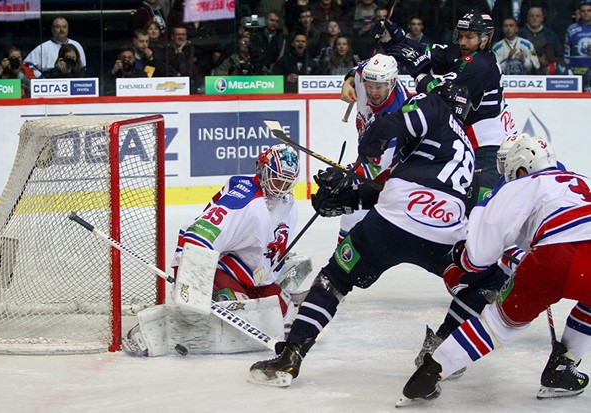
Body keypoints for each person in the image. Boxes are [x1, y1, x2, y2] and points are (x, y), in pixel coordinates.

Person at [248, 79, 475, 387]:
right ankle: (439, 354)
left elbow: (388, 139)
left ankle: (292, 355)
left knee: (335, 278)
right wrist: (351, 198)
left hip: (391, 222)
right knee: (479, 286)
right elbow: (410, 186)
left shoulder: (432, 107)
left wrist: (367, 149)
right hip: (445, 232)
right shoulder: (468, 151)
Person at [399, 135, 591, 404]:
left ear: (522, 167)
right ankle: (564, 366)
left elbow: (479, 255)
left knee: (497, 324)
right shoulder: (580, 179)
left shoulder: (522, 185)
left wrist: (461, 261)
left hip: (553, 258)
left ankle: (431, 371)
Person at [377, 11, 515, 210]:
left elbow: (442, 93)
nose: (463, 42)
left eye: (469, 37)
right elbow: (427, 52)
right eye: (460, 36)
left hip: (490, 151)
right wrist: (395, 36)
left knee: (480, 210)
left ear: (484, 39)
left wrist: (418, 71)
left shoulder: (481, 65)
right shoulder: (464, 53)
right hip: (475, 146)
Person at [172, 144, 308, 327]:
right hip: (216, 268)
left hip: (249, 273)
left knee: (283, 313)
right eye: (277, 181)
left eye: (287, 182)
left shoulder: (286, 203)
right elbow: (197, 237)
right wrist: (187, 283)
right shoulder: (246, 203)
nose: (281, 188)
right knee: (238, 310)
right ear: (262, 171)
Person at [335, 54, 411, 243]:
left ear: (392, 83)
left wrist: (342, 177)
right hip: (375, 163)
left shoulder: (397, 115)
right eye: (369, 85)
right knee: (350, 214)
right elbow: (360, 67)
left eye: (379, 87)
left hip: (397, 175)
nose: (373, 92)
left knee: (358, 215)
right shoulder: (370, 74)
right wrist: (349, 80)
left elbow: (372, 168)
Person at [518, 6, 566, 74]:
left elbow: (559, 55)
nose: (534, 18)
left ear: (542, 18)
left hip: (547, 69)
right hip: (525, 68)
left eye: (537, 16)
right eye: (532, 16)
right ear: (528, 18)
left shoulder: (551, 35)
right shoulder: (520, 34)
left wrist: (549, 59)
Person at [565, 1, 591, 91]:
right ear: (579, 13)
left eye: (589, 10)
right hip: (576, 71)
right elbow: (567, 51)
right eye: (583, 11)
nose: (586, 13)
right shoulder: (572, 29)